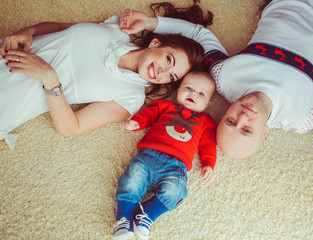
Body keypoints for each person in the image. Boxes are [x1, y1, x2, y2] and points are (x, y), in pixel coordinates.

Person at [119, 0, 313, 159]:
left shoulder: (224, 77)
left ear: (224, 114)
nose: (243, 116)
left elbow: (198, 34)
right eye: (247, 129)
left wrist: (149, 23)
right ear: (264, 134)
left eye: (230, 121)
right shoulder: (303, 118)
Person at [0, 15, 204, 149]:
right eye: (168, 59)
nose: (162, 72)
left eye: (171, 77)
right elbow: (63, 28)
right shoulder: (117, 29)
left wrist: (50, 78)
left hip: (9, 99)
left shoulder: (131, 97)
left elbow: (71, 127)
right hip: (5, 51)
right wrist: (30, 31)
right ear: (155, 43)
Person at [113, 71, 217, 240]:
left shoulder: (205, 122)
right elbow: (148, 115)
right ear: (178, 91)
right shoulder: (164, 105)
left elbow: (208, 144)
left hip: (176, 166)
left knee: (177, 192)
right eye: (188, 88)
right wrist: (136, 122)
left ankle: (147, 214)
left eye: (201, 93)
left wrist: (209, 164)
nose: (193, 94)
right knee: (131, 180)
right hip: (148, 155)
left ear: (208, 103)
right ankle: (124, 218)